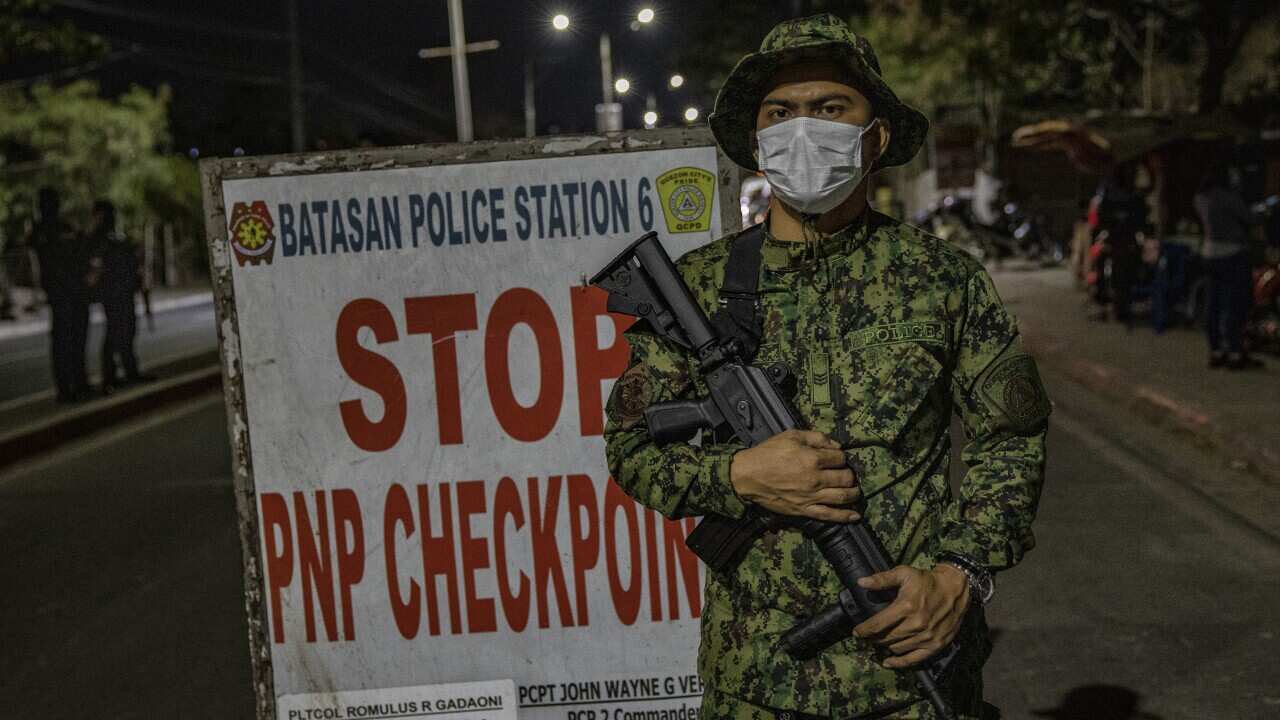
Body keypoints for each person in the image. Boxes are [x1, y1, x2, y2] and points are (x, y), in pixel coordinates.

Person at [604, 15, 1050, 720]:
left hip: (912, 677)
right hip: (756, 679)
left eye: (830, 108)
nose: (802, 128)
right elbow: (629, 449)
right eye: (781, 112)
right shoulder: (700, 286)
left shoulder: (943, 279)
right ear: (757, 143)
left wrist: (960, 576)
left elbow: (1012, 439)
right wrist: (736, 475)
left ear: (874, 138)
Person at [1194, 165, 1261, 370]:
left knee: (1213, 304)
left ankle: (1216, 351)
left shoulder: (1201, 198)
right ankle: (1234, 352)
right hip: (1231, 254)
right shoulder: (1227, 197)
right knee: (1234, 304)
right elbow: (1249, 218)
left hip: (1209, 253)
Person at [30, 188, 92, 402]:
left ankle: (79, 383)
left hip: (73, 290)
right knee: (65, 342)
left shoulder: (60, 227)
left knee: (76, 339)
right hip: (61, 292)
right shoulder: (43, 231)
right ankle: (67, 388)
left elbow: (78, 250)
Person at [88, 200, 152, 391]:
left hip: (124, 290)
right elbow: (97, 265)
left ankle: (129, 370)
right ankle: (110, 376)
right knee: (115, 332)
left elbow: (130, 261)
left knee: (127, 330)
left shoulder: (115, 239)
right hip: (112, 292)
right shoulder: (97, 239)